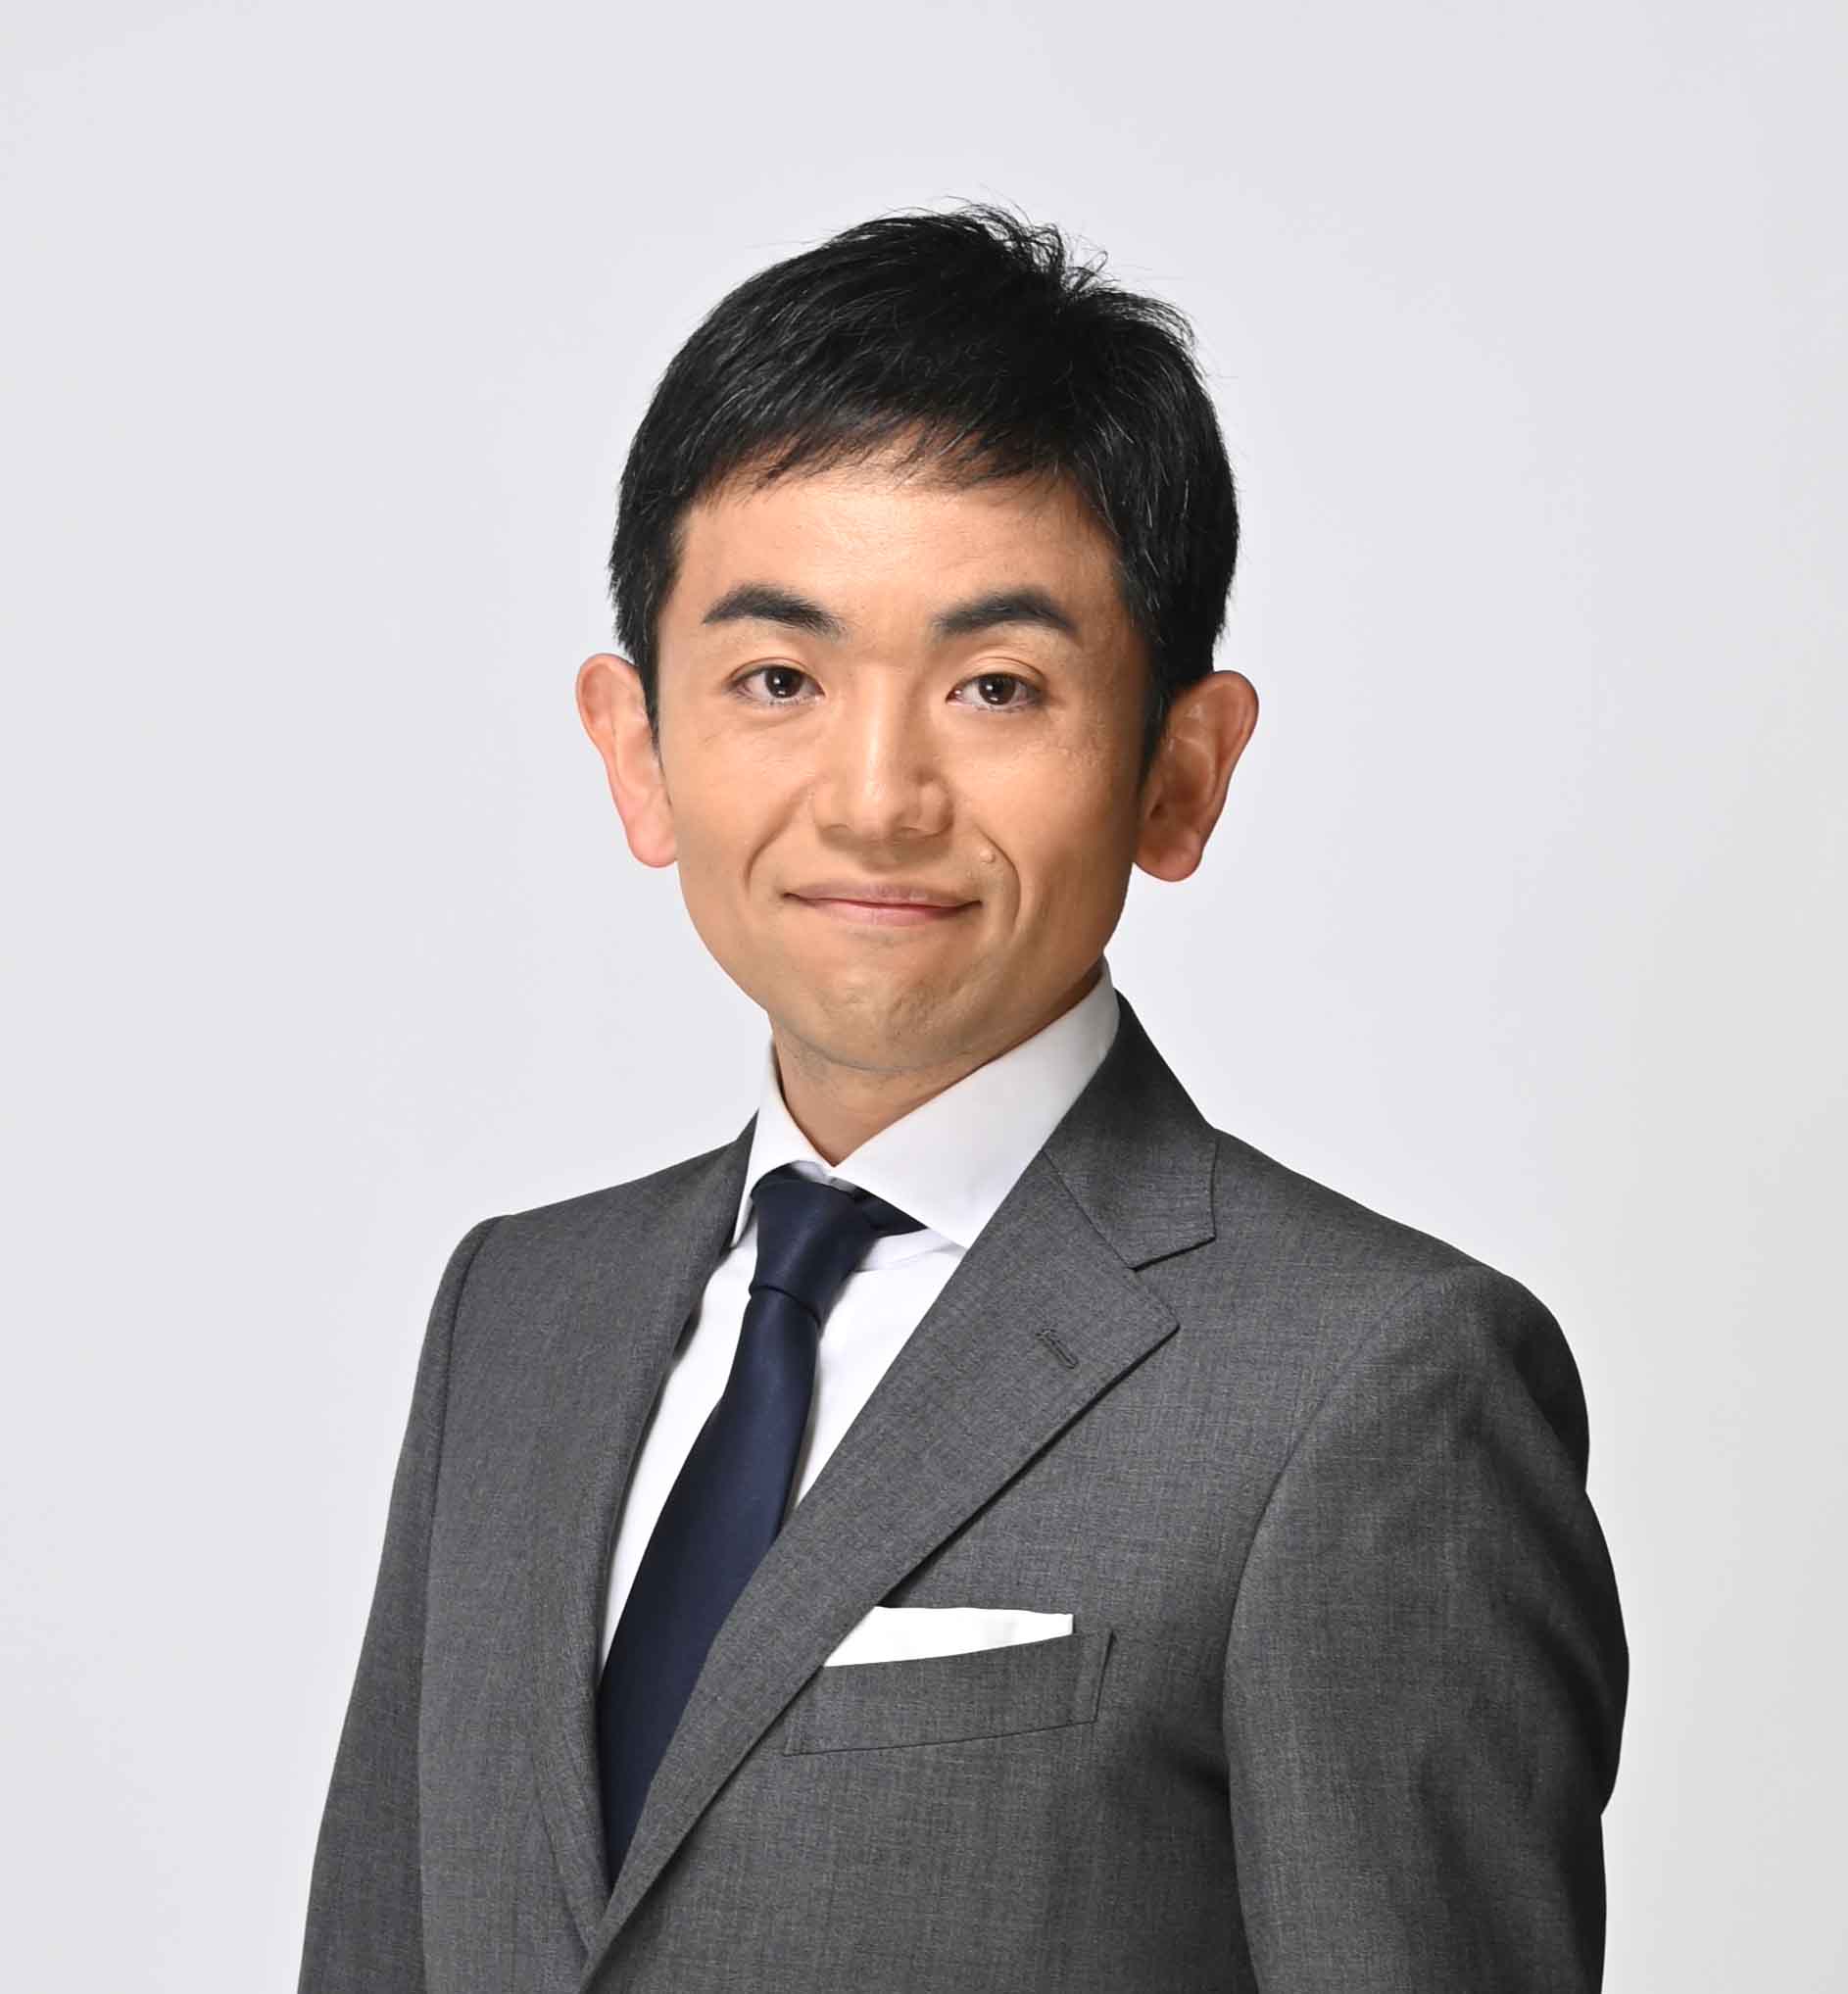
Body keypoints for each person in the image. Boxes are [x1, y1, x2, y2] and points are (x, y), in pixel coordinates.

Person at [297, 202, 1628, 1994]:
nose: (875, 797)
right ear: (638, 749)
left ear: (1179, 773)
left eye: (996, 686)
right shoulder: (516, 1317)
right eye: (777, 678)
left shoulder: (1374, 1387)